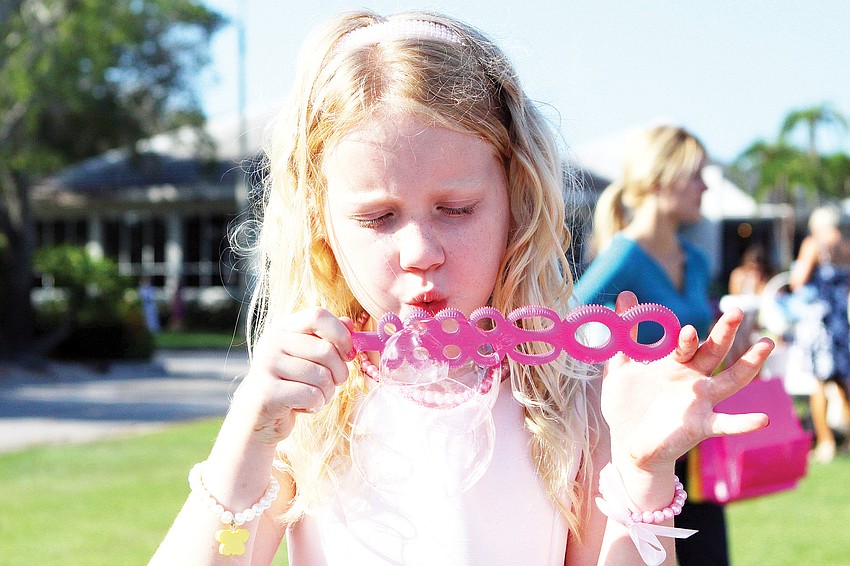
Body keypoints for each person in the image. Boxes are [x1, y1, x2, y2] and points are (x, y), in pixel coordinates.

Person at [151, 12, 773, 566]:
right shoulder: (307, 409)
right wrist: (247, 439)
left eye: (456, 208)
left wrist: (643, 472)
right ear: (322, 228)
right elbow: (226, 552)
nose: (420, 250)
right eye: (377, 218)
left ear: (516, 204)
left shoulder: (570, 400)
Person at [572, 126, 730, 566]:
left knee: (709, 555)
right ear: (662, 177)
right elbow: (567, 333)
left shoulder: (695, 260)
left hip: (695, 442)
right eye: (696, 174)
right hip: (641, 445)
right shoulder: (621, 259)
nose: (705, 186)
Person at [789, 204, 850, 463]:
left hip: (820, 322)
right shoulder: (845, 246)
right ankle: (845, 440)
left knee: (820, 383)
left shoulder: (814, 245)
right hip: (840, 321)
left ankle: (826, 441)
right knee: (843, 382)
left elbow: (797, 281)